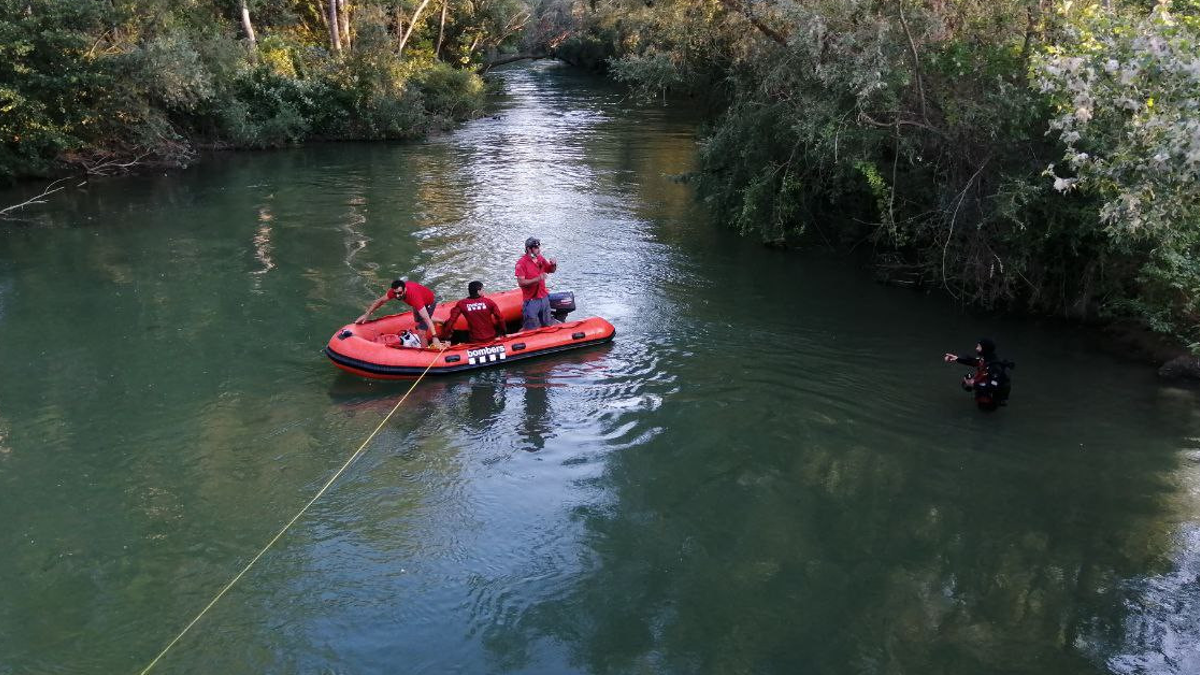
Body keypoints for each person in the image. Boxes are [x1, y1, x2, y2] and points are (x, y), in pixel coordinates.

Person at [356, 279, 444, 349]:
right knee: (417, 319)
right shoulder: (394, 292)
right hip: (420, 298)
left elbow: (426, 319)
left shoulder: (415, 298)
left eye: (400, 293)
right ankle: (442, 321)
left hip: (428, 302)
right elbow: (381, 301)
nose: (397, 296)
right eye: (395, 293)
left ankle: (424, 353)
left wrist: (434, 337)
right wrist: (367, 314)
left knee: (421, 332)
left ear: (405, 289)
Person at [943, 337, 1015, 411]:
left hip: (990, 400)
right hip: (983, 391)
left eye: (979, 346)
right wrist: (957, 358)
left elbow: (993, 387)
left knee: (985, 412)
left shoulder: (994, 367)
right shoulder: (986, 359)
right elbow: (973, 361)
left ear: (985, 349)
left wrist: (973, 384)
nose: (976, 348)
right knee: (968, 380)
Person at [441, 281, 506, 344]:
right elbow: (500, 318)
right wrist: (503, 333)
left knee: (457, 333)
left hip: (474, 339)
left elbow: (450, 322)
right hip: (491, 337)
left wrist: (447, 338)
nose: (483, 291)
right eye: (482, 289)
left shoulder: (462, 304)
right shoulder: (489, 302)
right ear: (478, 291)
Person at [515, 236, 558, 330]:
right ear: (528, 249)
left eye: (538, 247)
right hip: (531, 300)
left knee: (547, 324)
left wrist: (553, 264)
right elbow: (521, 283)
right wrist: (537, 279)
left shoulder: (540, 258)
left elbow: (551, 270)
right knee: (531, 327)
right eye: (535, 247)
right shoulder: (521, 264)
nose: (538, 249)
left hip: (543, 297)